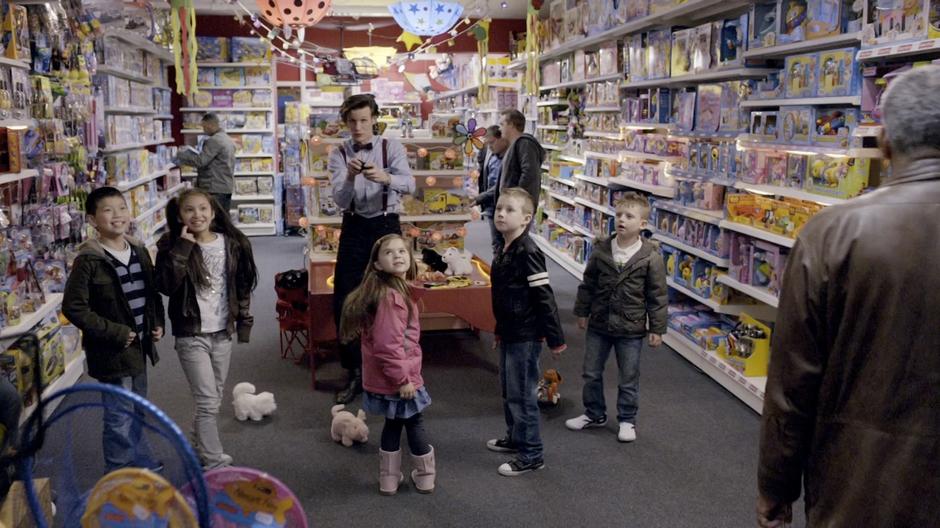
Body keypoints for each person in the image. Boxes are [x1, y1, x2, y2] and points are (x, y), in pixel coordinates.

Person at [756, 66, 940, 527]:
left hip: (859, 487)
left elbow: (792, 384)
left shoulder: (833, 234)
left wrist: (776, 487)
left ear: (885, 141)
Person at [62, 186, 165, 472]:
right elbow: (74, 307)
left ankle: (137, 460)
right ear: (93, 219)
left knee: (139, 408)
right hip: (112, 352)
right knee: (118, 414)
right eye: (107, 210)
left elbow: (151, 293)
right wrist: (115, 332)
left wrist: (157, 322)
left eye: (121, 208)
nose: (117, 215)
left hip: (140, 348)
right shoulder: (89, 260)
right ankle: (120, 470)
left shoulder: (140, 251)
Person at [155, 189, 258, 470]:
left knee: (214, 399)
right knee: (207, 402)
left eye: (203, 209)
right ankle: (214, 462)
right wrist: (183, 249)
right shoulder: (171, 244)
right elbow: (164, 285)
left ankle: (192, 446)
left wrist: (243, 324)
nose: (197, 215)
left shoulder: (231, 243)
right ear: (179, 215)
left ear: (213, 212)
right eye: (189, 210)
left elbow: (242, 286)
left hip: (222, 333)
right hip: (191, 334)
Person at [328, 94, 415, 404]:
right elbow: (339, 200)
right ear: (345, 122)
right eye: (352, 121)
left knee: (392, 298)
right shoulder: (338, 153)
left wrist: (386, 176)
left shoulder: (391, 147)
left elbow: (411, 184)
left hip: (386, 224)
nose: (358, 127)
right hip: (353, 226)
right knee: (345, 300)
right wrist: (350, 177)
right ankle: (354, 371)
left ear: (374, 118)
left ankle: (395, 369)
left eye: (364, 120)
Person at [565, 192, 668, 442]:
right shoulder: (601, 250)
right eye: (618, 214)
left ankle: (627, 419)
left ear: (642, 224)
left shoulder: (650, 257)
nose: (621, 219)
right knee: (591, 371)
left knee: (628, 377)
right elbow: (588, 283)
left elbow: (657, 295)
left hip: (631, 328)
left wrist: (657, 328)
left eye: (629, 216)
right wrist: (582, 311)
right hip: (600, 322)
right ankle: (594, 413)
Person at [340, 234, 436, 496]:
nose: (397, 255)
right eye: (389, 253)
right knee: (414, 423)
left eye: (402, 251)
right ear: (378, 265)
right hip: (398, 377)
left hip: (389, 377)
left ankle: (389, 480)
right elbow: (387, 346)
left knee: (393, 425)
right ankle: (425, 476)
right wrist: (403, 379)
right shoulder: (391, 299)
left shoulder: (393, 291)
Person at [486, 188, 566, 476]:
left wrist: (555, 338)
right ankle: (516, 438)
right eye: (498, 209)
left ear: (526, 219)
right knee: (509, 390)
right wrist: (498, 330)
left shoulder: (528, 251)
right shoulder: (504, 247)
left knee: (522, 394)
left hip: (526, 334)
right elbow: (503, 297)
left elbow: (544, 295)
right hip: (509, 331)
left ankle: (532, 454)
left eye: (509, 210)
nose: (501, 214)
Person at [176, 113, 236, 213]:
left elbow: (201, 161)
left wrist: (181, 155)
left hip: (214, 187)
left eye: (204, 127)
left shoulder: (214, 140)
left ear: (210, 125)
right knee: (223, 219)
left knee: (213, 220)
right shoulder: (226, 138)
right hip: (225, 186)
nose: (203, 130)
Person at [492, 109, 545, 209]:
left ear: (511, 125)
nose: (499, 129)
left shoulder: (525, 144)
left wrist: (516, 202)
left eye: (502, 124)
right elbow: (506, 180)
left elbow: (529, 174)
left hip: (518, 209)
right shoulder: (513, 146)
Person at [473, 125, 510, 256]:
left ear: (502, 139)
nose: (490, 147)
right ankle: (499, 271)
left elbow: (503, 184)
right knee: (496, 243)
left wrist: (479, 198)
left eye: (492, 142)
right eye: (487, 143)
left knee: (504, 243)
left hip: (504, 204)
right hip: (491, 204)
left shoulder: (510, 157)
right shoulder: (491, 153)